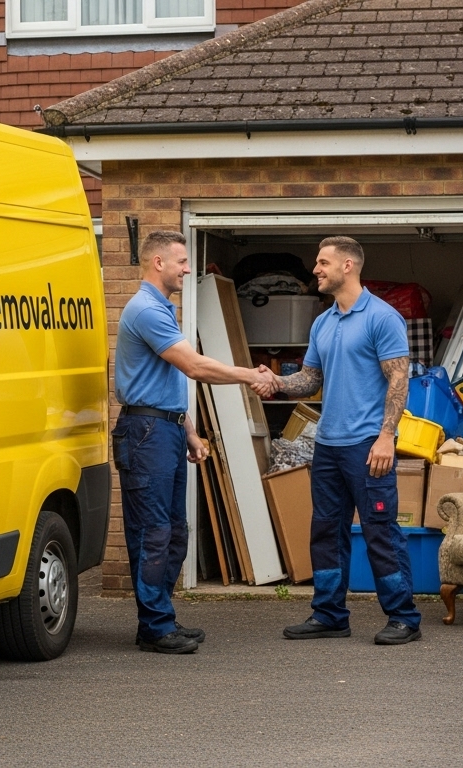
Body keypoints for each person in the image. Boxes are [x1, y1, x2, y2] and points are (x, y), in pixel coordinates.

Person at [253, 235, 422, 645]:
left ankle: (403, 617)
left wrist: (387, 437)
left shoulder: (382, 318)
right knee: (326, 531)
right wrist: (276, 381)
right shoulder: (323, 322)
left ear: (348, 266)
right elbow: (310, 379)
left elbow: (398, 379)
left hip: (368, 444)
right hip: (327, 445)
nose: (316, 269)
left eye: (323, 262)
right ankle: (329, 614)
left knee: (380, 530)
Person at [113, 230, 270, 654]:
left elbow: (167, 382)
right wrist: (251, 376)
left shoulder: (161, 309)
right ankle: (154, 628)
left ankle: (161, 618)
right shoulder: (146, 309)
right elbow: (194, 367)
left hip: (162, 430)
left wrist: (189, 431)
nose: (187, 269)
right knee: (154, 533)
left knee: (173, 532)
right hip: (145, 436)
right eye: (181, 261)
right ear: (158, 263)